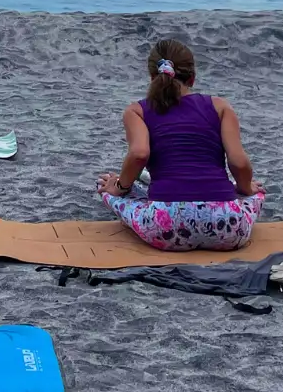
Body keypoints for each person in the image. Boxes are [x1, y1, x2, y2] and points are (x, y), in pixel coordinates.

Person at [96, 39, 265, 251]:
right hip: (228, 229)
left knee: (107, 187)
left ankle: (120, 189)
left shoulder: (137, 111)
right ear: (192, 78)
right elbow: (238, 163)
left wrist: (119, 187)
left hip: (165, 229)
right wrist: (245, 188)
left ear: (152, 77)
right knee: (256, 192)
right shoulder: (220, 107)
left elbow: (139, 154)